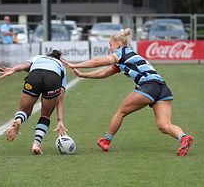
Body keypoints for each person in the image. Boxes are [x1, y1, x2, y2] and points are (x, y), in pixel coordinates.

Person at [62, 28, 193, 157]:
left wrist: (75, 65)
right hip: (163, 88)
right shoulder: (126, 58)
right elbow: (103, 73)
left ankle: (106, 141)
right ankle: (183, 138)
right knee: (164, 125)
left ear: (118, 44)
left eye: (110, 45)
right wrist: (84, 75)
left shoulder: (121, 53)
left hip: (148, 85)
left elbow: (97, 62)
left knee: (121, 111)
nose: (109, 48)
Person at [0, 50, 68, 155]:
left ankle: (18, 120)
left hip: (35, 75)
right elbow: (60, 97)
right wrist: (59, 120)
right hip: (52, 78)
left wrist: (13, 70)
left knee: (24, 110)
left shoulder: (39, 57)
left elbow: (23, 66)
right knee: (45, 115)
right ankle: (36, 144)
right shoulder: (61, 66)